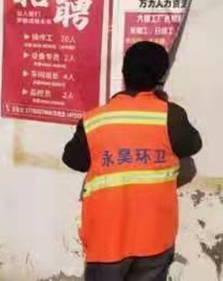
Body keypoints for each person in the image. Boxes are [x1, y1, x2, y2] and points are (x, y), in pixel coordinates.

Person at [62, 41, 203, 281]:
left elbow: (73, 159)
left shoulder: (95, 120)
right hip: (155, 237)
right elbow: (193, 145)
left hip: (107, 240)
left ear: (124, 72)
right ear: (161, 76)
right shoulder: (171, 116)